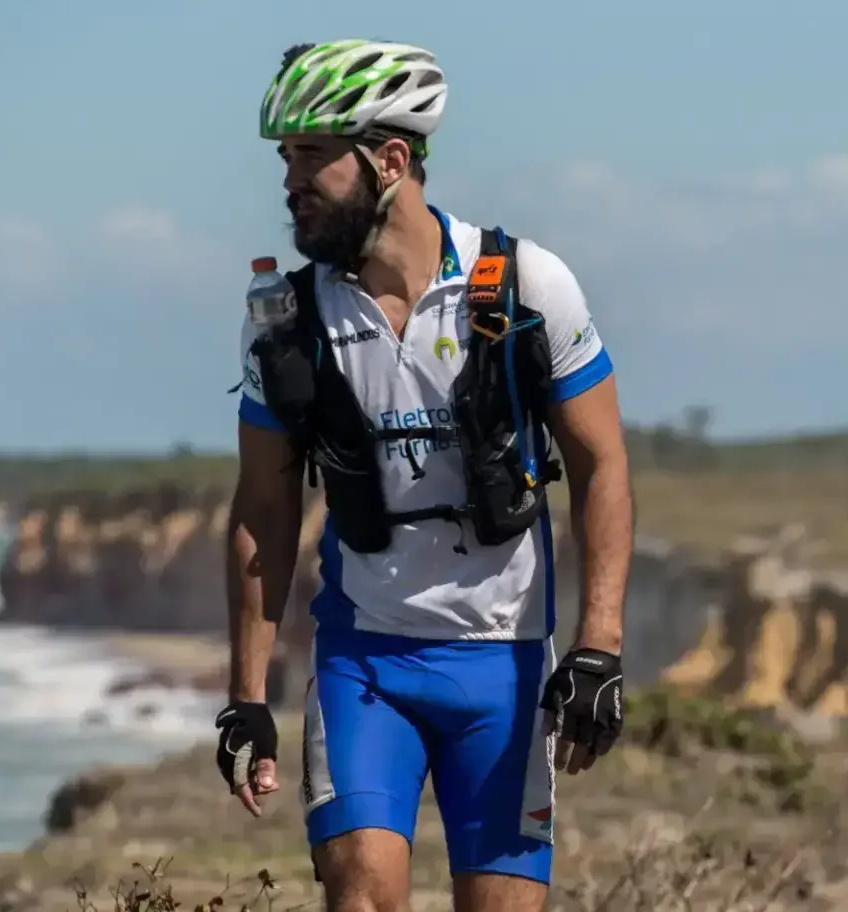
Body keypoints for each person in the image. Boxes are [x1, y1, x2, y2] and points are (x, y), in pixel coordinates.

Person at [215, 39, 635, 912]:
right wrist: (245, 700)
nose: (288, 181)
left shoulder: (526, 286)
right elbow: (262, 507)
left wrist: (600, 647)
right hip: (365, 661)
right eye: (284, 157)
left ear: (390, 161)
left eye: (311, 156)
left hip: (506, 665)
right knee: (362, 892)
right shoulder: (285, 322)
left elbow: (601, 465)